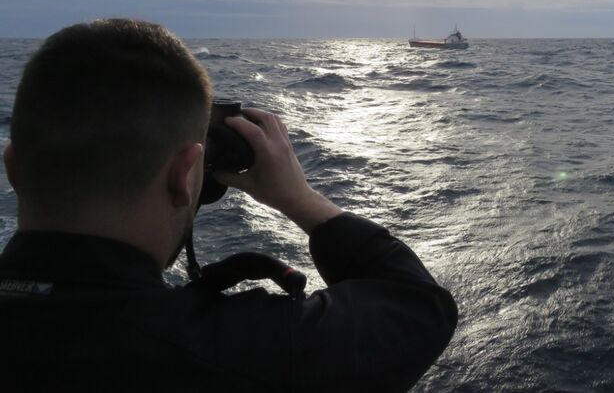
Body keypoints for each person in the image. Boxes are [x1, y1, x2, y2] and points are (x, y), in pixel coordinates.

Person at [0, 19, 457, 392]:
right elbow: (418, 309)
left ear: (12, 168)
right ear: (185, 176)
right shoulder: (237, 354)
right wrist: (298, 198)